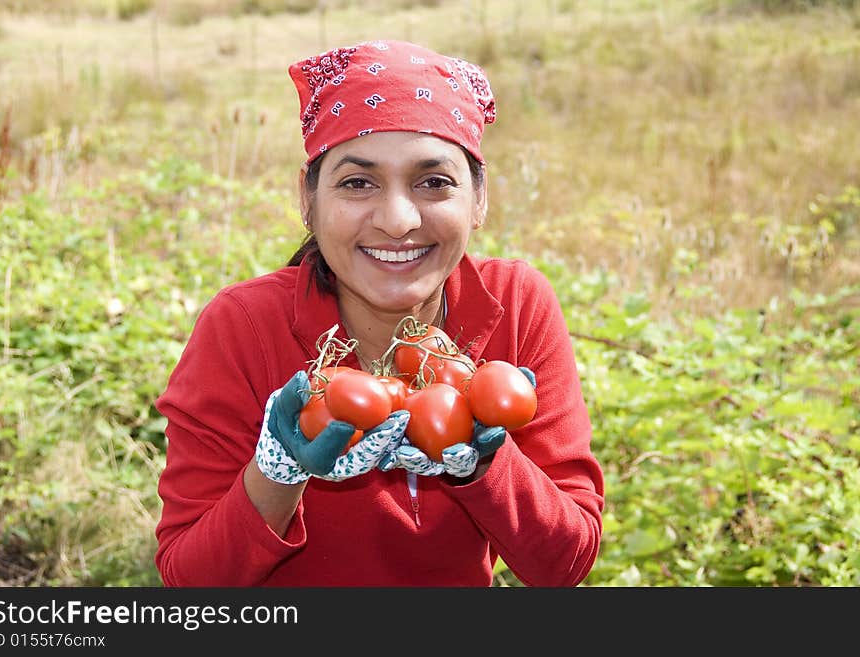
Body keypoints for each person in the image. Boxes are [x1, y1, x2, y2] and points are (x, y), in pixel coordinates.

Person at [154, 39, 605, 586]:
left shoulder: (515, 304)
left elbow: (563, 565)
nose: (397, 219)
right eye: (357, 182)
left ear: (479, 199)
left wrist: (487, 463)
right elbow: (189, 582)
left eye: (433, 182)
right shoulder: (244, 326)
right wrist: (277, 473)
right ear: (309, 198)